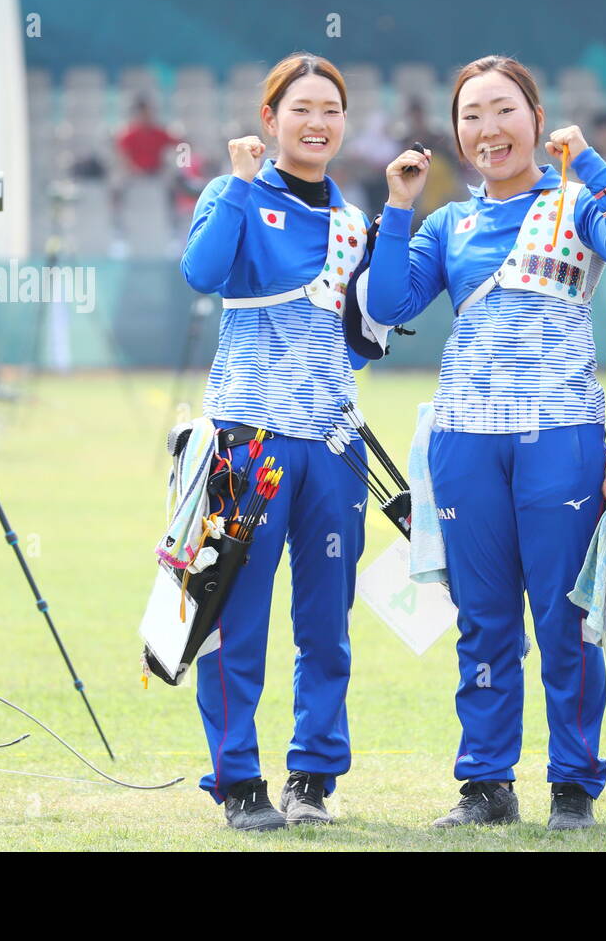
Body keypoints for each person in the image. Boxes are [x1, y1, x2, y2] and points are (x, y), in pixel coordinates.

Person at [365, 56, 606, 831]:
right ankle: (486, 785)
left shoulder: (575, 202)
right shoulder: (447, 223)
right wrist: (397, 209)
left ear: (536, 117)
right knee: (483, 622)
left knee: (566, 617)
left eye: (503, 111)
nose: (487, 130)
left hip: (560, 435)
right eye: (471, 116)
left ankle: (574, 783)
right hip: (465, 442)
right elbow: (390, 303)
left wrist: (591, 162)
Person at [179, 52, 370, 832]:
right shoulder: (235, 195)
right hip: (247, 441)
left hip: (332, 444)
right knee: (235, 616)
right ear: (270, 120)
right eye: (301, 108)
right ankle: (238, 780)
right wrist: (240, 186)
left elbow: (356, 343)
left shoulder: (355, 222)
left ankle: (314, 777)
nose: (317, 121)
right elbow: (201, 273)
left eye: (331, 108)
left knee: (327, 620)